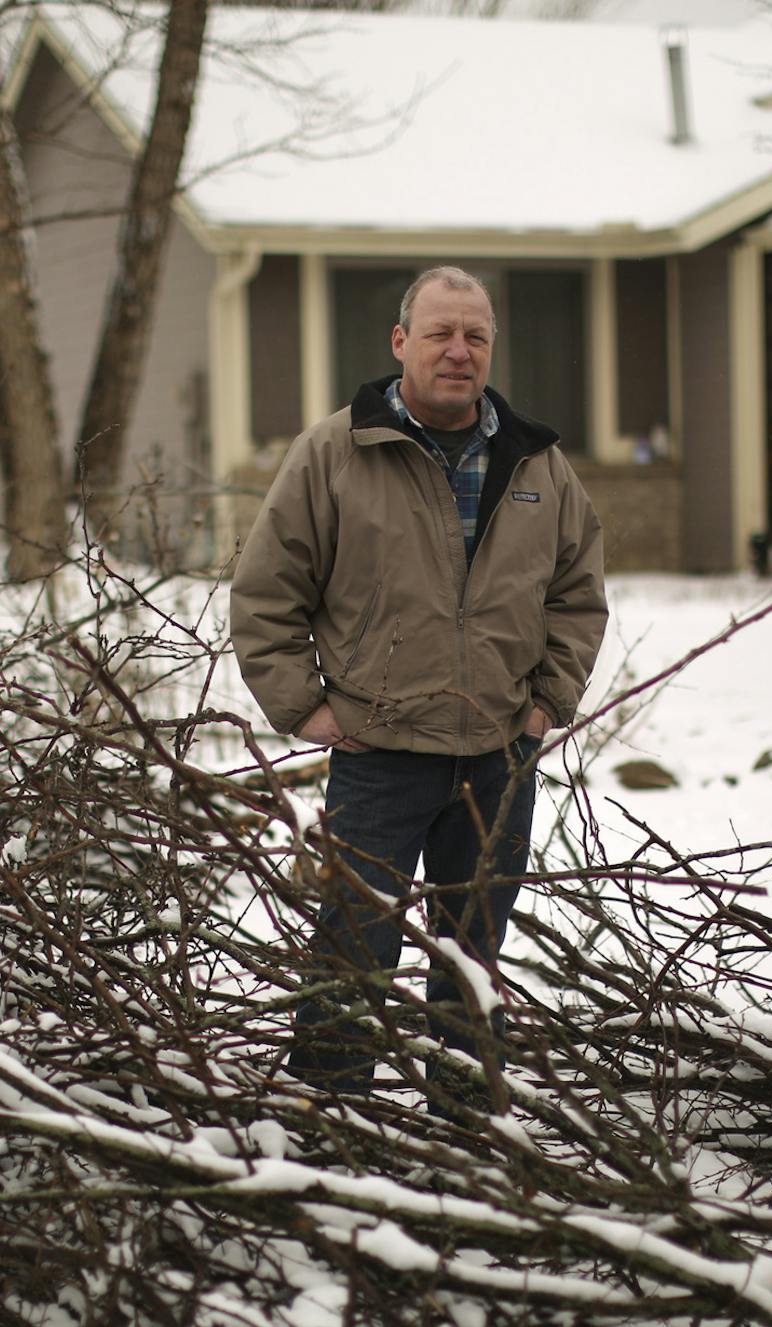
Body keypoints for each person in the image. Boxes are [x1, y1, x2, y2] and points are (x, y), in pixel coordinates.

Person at [229, 265, 607, 1094]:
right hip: (380, 750)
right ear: (401, 343)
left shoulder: (538, 462)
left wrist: (547, 703)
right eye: (440, 333)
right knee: (353, 945)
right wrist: (304, 706)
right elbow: (266, 593)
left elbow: (578, 594)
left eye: (475, 335)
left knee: (472, 954)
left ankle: (463, 1112)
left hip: (499, 755)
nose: (459, 351)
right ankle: (333, 1105)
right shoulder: (334, 454)